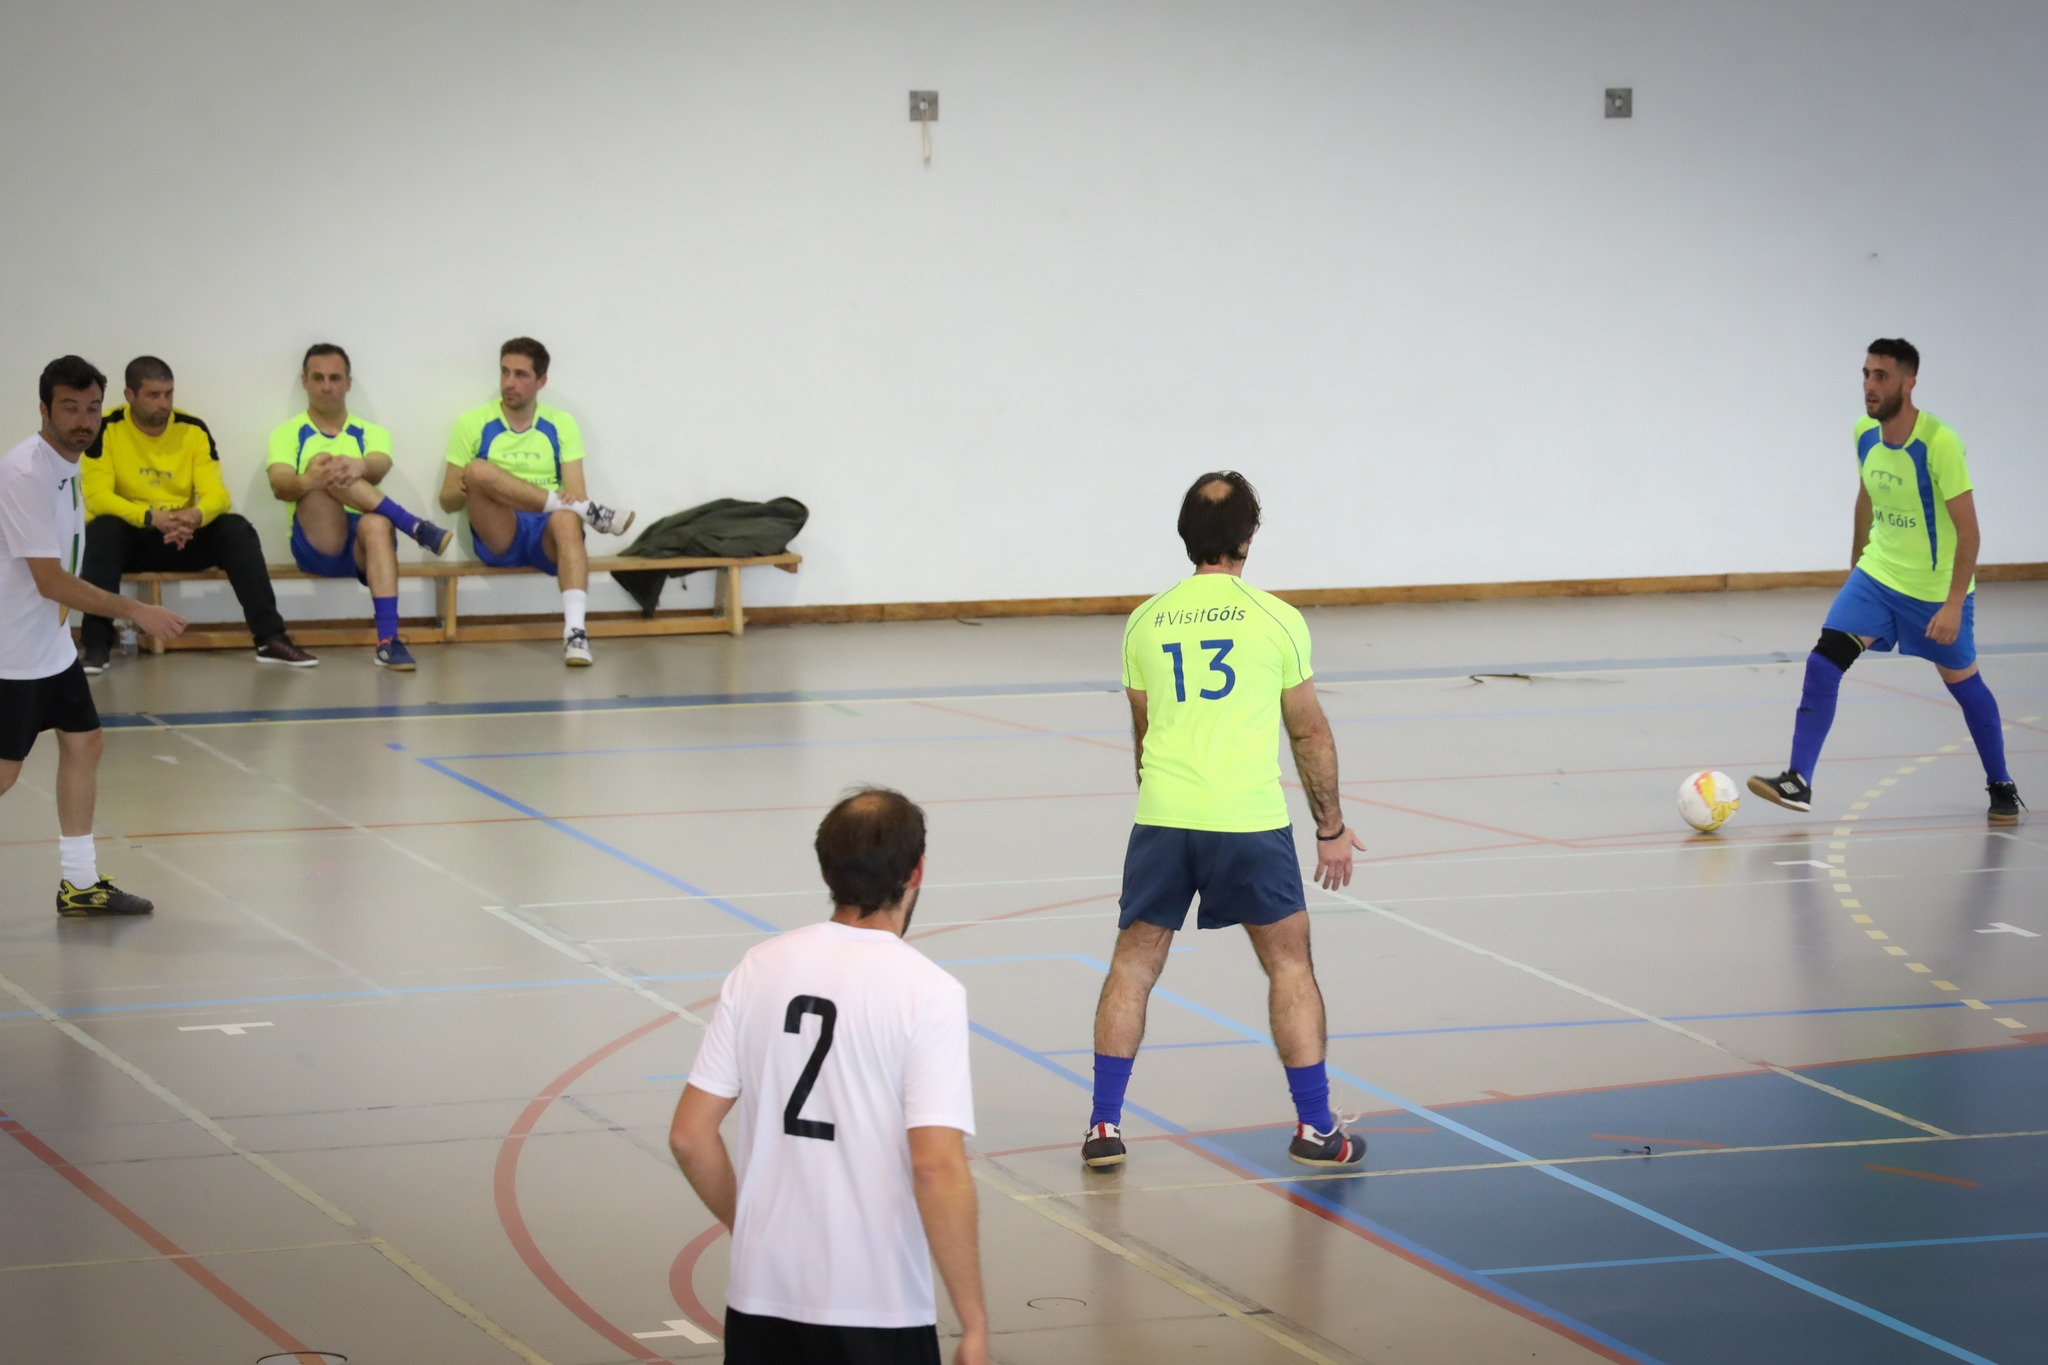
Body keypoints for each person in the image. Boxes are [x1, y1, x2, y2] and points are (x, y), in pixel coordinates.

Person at [1084, 471, 1369, 1171]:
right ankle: (1315, 1128)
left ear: (1187, 536)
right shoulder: (1277, 619)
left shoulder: (1145, 621)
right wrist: (1330, 826)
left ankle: (1102, 1126)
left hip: (1164, 817)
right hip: (1248, 821)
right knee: (1289, 965)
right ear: (1248, 537)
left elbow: (1144, 733)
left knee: (1133, 965)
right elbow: (1308, 731)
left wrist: (1163, 805)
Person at [669, 788, 989, 1365]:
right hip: (876, 1307)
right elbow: (936, 1166)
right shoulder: (928, 992)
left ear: (827, 871)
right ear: (916, 872)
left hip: (761, 1298)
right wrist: (973, 1322)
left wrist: (751, 1229)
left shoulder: (760, 966)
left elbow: (690, 1137)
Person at [1749, 339, 2024, 824]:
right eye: (1866, 374)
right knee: (1823, 663)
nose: (1869, 386)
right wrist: (1856, 565)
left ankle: (2001, 782)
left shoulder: (1939, 443)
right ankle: (1798, 779)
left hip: (1933, 592)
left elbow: (1970, 532)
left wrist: (1953, 604)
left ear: (1908, 383)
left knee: (1965, 685)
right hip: (1877, 576)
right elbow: (1866, 496)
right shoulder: (1864, 433)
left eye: (1881, 376)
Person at [1, 357, 185, 916]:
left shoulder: (70, 464)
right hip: (12, 651)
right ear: (44, 409)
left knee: (84, 741)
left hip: (49, 642)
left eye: (91, 409)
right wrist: (136, 611)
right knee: (5, 772)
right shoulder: (25, 474)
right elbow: (51, 580)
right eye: (70, 408)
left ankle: (79, 884)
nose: (83, 420)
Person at [78, 356, 316, 670]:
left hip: (181, 537)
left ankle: (270, 638)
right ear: (130, 396)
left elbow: (218, 495)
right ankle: (96, 645)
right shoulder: (105, 428)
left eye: (168, 394)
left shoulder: (193, 429)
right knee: (102, 529)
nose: (164, 403)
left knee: (236, 529)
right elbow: (98, 498)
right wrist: (151, 517)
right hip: (131, 540)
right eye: (153, 395)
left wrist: (196, 516)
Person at [440, 338, 634, 667]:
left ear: (541, 381)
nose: (509, 383)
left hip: (548, 534)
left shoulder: (561, 423)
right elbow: (446, 501)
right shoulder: (472, 423)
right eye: (504, 372)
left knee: (567, 516)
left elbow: (576, 490)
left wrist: (564, 502)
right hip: (502, 530)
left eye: (521, 375)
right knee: (477, 470)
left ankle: (575, 634)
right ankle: (592, 515)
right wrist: (469, 487)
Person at [266, 344, 452, 671]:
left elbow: (380, 464)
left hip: (365, 546)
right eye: (318, 378)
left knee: (376, 523)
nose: (327, 386)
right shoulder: (287, 433)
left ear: (348, 383)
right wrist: (310, 478)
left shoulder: (370, 432)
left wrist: (359, 466)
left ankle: (388, 642)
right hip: (319, 540)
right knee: (324, 466)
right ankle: (415, 527)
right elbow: (280, 485)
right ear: (305, 381)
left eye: (335, 378)